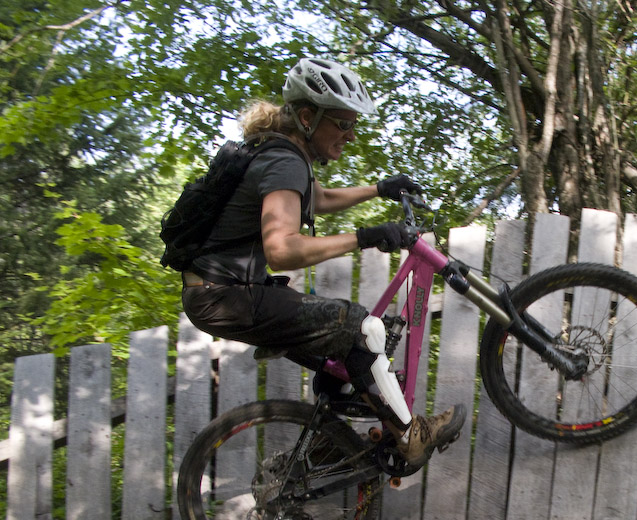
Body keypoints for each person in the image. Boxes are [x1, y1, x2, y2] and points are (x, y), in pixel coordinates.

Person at [180, 57, 465, 469]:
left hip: (220, 293)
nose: (351, 135)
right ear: (308, 117)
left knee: (342, 345)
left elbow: (321, 198)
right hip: (226, 296)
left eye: (353, 125)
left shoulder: (279, 153)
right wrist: (365, 237)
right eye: (343, 124)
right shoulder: (284, 161)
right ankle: (411, 436)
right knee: (360, 327)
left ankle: (327, 444)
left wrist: (379, 188)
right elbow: (282, 250)